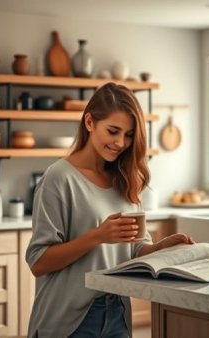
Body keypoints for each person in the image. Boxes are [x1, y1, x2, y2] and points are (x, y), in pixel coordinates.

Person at [26, 82, 195, 338]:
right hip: (69, 319)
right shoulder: (59, 178)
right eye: (113, 131)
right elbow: (38, 262)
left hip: (117, 312)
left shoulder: (126, 179)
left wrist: (161, 247)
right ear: (90, 122)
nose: (120, 143)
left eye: (128, 135)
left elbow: (135, 249)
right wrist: (98, 235)